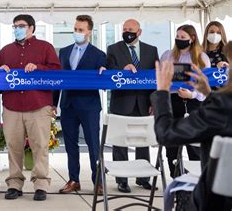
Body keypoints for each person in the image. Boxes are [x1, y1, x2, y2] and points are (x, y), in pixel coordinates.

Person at [152, 41, 232, 211]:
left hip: (216, 201)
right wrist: (208, 94)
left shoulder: (222, 106)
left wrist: (162, 92)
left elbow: (166, 134)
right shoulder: (221, 105)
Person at [0, 14, 61, 201]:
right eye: (14, 26)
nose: (17, 29)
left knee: (40, 146)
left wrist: (38, 67)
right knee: (13, 146)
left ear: (31, 28)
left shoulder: (45, 48)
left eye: (20, 26)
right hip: (12, 106)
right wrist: (0, 69)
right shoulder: (6, 50)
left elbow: (57, 73)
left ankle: (41, 185)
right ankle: (14, 184)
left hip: (38, 106)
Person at [53, 15, 106, 195]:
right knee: (70, 145)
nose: (77, 32)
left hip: (89, 106)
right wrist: (54, 103)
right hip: (67, 105)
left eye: (81, 30)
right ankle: (74, 180)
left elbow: (105, 78)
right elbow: (59, 79)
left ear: (89, 32)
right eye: (75, 29)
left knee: (93, 145)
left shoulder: (99, 55)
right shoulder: (64, 52)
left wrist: (105, 72)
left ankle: (98, 181)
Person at [106, 18, 158, 193]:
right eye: (124, 28)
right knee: (120, 142)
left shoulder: (152, 51)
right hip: (122, 102)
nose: (127, 31)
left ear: (139, 32)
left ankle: (143, 178)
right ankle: (122, 180)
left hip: (144, 103)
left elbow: (154, 79)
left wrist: (153, 102)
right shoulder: (113, 49)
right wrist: (122, 70)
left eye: (131, 29)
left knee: (143, 141)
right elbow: (109, 71)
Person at [160, 24, 211, 178]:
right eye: (177, 36)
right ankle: (176, 180)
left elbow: (205, 84)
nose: (179, 39)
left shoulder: (202, 57)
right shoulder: (167, 55)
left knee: (194, 145)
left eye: (183, 37)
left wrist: (193, 95)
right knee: (172, 145)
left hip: (193, 102)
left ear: (192, 38)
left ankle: (196, 181)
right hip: (171, 101)